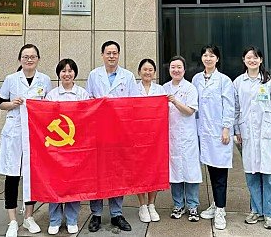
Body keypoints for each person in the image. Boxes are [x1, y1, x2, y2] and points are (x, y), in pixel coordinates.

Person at [0, 44, 52, 236]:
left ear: (38, 59)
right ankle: (12, 220)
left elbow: (50, 106)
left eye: (33, 56)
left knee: (31, 175)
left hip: (35, 134)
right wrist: (12, 104)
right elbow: (0, 103)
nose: (29, 60)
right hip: (14, 132)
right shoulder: (11, 79)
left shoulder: (44, 80)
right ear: (20, 59)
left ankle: (29, 216)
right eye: (26, 56)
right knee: (12, 176)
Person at [86, 40, 139, 232]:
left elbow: (133, 103)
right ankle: (96, 214)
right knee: (97, 172)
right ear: (102, 55)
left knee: (117, 171)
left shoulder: (128, 76)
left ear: (118, 55)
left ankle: (117, 214)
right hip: (98, 132)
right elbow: (88, 102)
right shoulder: (94, 75)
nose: (111, 56)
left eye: (114, 53)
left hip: (119, 132)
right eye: (108, 53)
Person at [234, 46, 271, 231]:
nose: (252, 60)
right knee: (252, 175)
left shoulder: (270, 81)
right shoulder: (239, 82)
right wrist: (237, 130)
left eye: (255, 57)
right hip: (248, 133)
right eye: (249, 57)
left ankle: (269, 214)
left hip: (267, 134)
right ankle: (256, 210)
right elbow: (236, 109)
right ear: (244, 60)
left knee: (269, 176)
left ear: (261, 60)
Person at [192, 45, 235, 231]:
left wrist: (226, 128)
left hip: (219, 132)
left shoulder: (224, 80)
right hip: (203, 131)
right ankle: (216, 203)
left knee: (220, 173)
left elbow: (230, 106)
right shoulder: (196, 79)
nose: (208, 58)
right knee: (210, 168)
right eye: (205, 55)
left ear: (217, 59)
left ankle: (221, 210)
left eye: (212, 55)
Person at [45, 58, 90, 235]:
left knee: (73, 183)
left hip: (76, 147)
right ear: (58, 74)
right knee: (55, 182)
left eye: (70, 71)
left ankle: (72, 219)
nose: (67, 74)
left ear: (75, 73)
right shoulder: (52, 95)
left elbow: (88, 118)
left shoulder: (82, 94)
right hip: (56, 148)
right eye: (63, 71)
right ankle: (55, 219)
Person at [163, 56, 202, 222]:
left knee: (190, 172)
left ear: (184, 70)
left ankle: (192, 206)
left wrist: (175, 101)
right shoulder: (164, 88)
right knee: (175, 173)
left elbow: (190, 111)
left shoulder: (190, 88)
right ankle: (178, 205)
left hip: (187, 136)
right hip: (171, 136)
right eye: (173, 67)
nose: (176, 70)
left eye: (179, 67)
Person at [135, 58, 165, 223]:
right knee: (139, 170)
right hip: (137, 136)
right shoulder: (132, 89)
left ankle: (152, 204)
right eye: (144, 69)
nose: (147, 72)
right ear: (139, 72)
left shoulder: (160, 90)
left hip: (155, 136)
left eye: (150, 70)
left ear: (154, 73)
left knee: (154, 169)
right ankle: (142, 205)